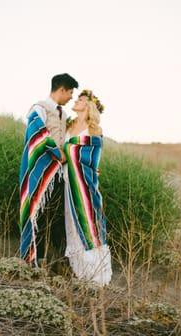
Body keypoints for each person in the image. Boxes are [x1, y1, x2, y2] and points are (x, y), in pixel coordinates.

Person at [19, 73, 78, 267]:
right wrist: (56, 151)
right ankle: (29, 259)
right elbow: (37, 134)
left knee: (53, 215)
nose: (71, 97)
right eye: (70, 92)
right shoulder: (39, 109)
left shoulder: (64, 114)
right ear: (61, 90)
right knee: (37, 211)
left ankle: (47, 259)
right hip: (40, 171)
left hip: (57, 175)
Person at [63, 90, 112, 286]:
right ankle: (81, 273)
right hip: (69, 182)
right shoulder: (68, 124)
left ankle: (97, 276)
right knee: (73, 227)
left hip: (85, 185)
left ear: (89, 105)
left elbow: (92, 158)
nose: (76, 100)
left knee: (88, 224)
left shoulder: (94, 130)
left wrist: (69, 148)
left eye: (81, 99)